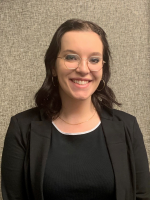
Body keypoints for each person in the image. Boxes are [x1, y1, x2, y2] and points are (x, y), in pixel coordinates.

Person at [1, 19, 150, 200]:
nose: (83, 69)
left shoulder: (128, 126)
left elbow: (142, 195)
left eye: (94, 60)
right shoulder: (22, 128)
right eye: (71, 57)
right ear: (53, 67)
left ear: (103, 68)